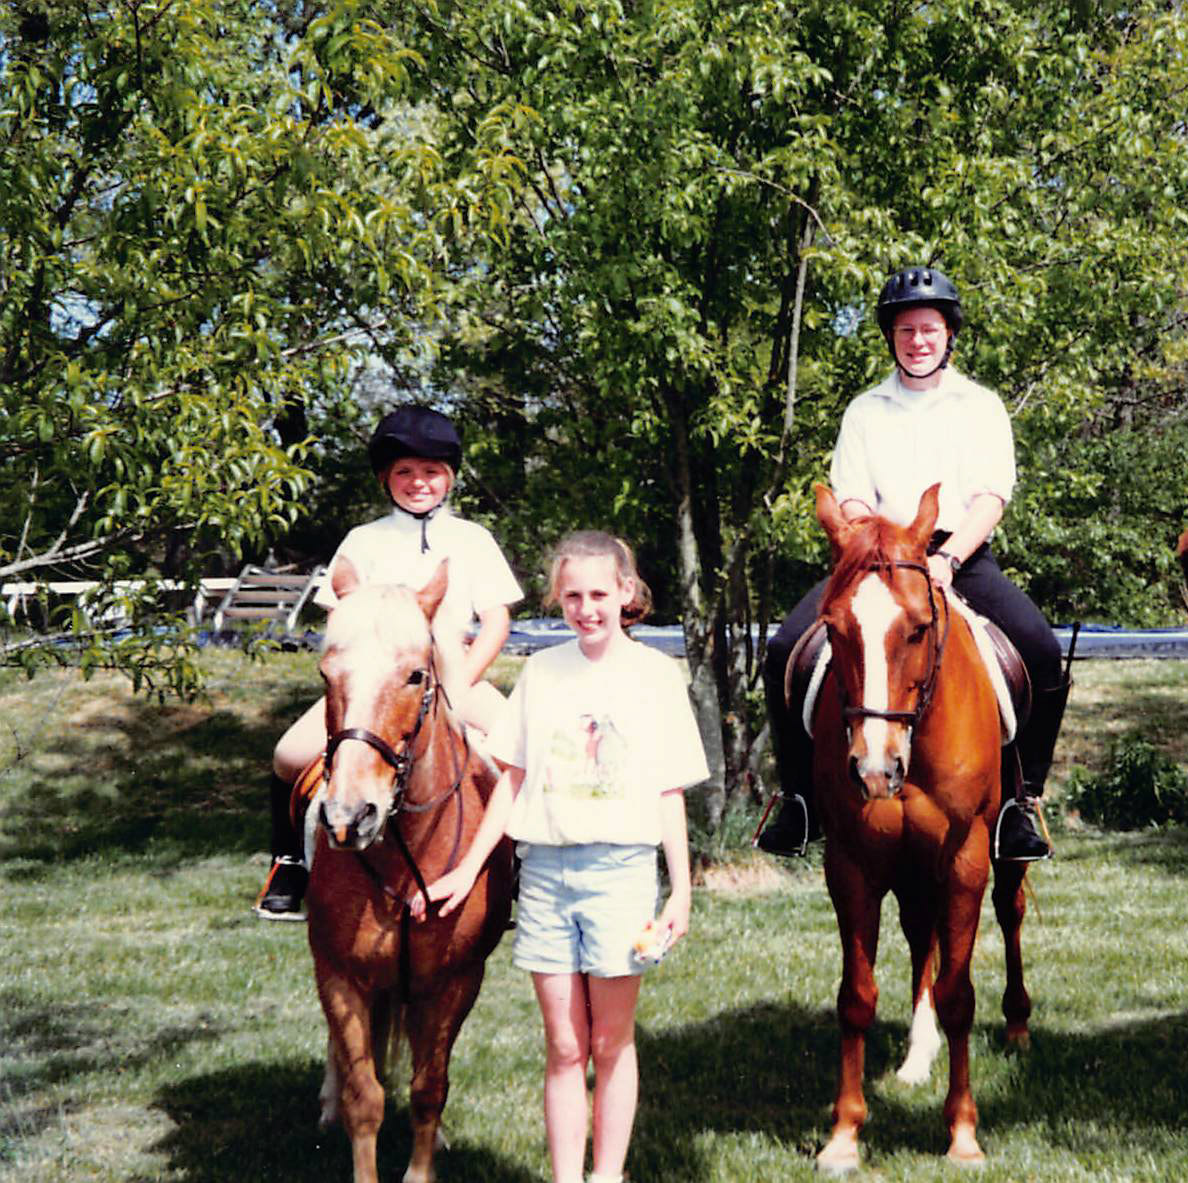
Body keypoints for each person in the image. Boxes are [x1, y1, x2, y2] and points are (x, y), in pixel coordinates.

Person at [413, 529, 704, 1183]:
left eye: (599, 594)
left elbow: (669, 790)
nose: (586, 608)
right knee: (565, 1044)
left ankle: (608, 1174)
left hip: (621, 875)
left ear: (626, 592)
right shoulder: (542, 672)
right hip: (545, 875)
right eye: (572, 596)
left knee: (610, 1039)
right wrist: (467, 869)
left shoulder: (656, 676)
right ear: (557, 598)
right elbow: (511, 782)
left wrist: (680, 892)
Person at [754, 265, 1067, 861]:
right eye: (905, 331)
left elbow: (991, 497)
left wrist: (947, 556)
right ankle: (797, 800)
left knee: (1041, 650)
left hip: (957, 555)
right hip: (875, 560)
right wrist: (872, 546)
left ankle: (1020, 802)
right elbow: (850, 496)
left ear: (949, 334)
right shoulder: (865, 410)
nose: (917, 341)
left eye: (928, 329)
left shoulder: (981, 406)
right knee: (783, 650)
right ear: (891, 337)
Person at [253, 406, 525, 920]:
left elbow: (496, 623)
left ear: (449, 477)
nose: (418, 482)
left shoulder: (473, 539)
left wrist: (461, 685)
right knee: (289, 755)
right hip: (374, 687)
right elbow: (339, 620)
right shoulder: (363, 540)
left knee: (524, 754)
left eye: (431, 471)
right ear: (385, 477)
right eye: (405, 471)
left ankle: (523, 866)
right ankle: (289, 863)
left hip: (456, 675)